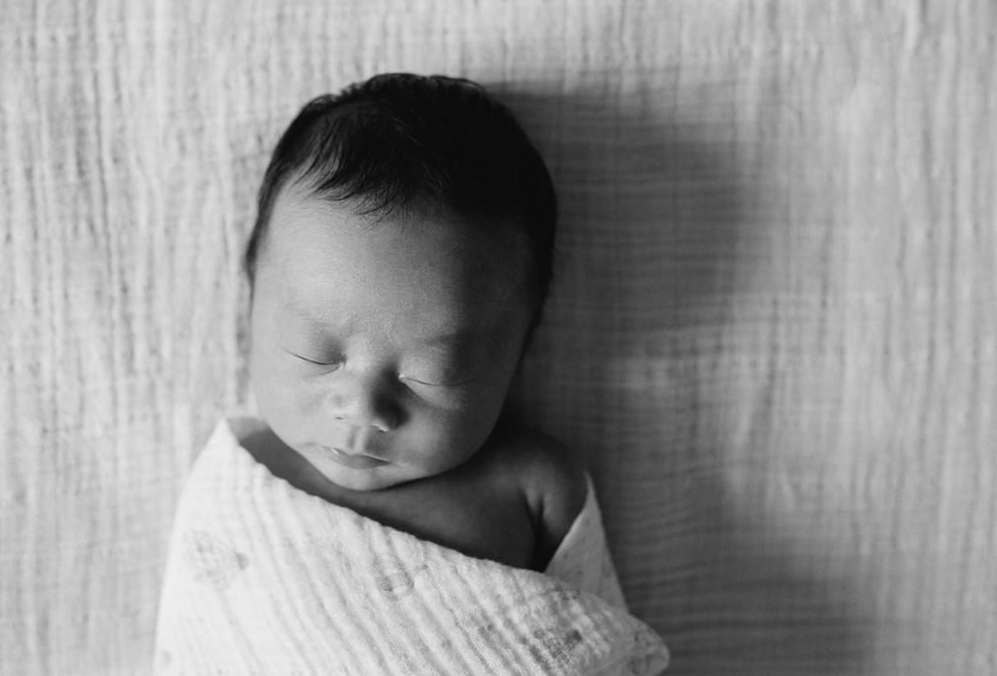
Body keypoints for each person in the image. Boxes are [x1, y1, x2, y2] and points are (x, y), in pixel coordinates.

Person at [153, 73, 666, 675]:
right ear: (251, 302)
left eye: (433, 371)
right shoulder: (242, 480)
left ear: (523, 346)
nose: (364, 406)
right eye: (316, 352)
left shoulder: (533, 485)